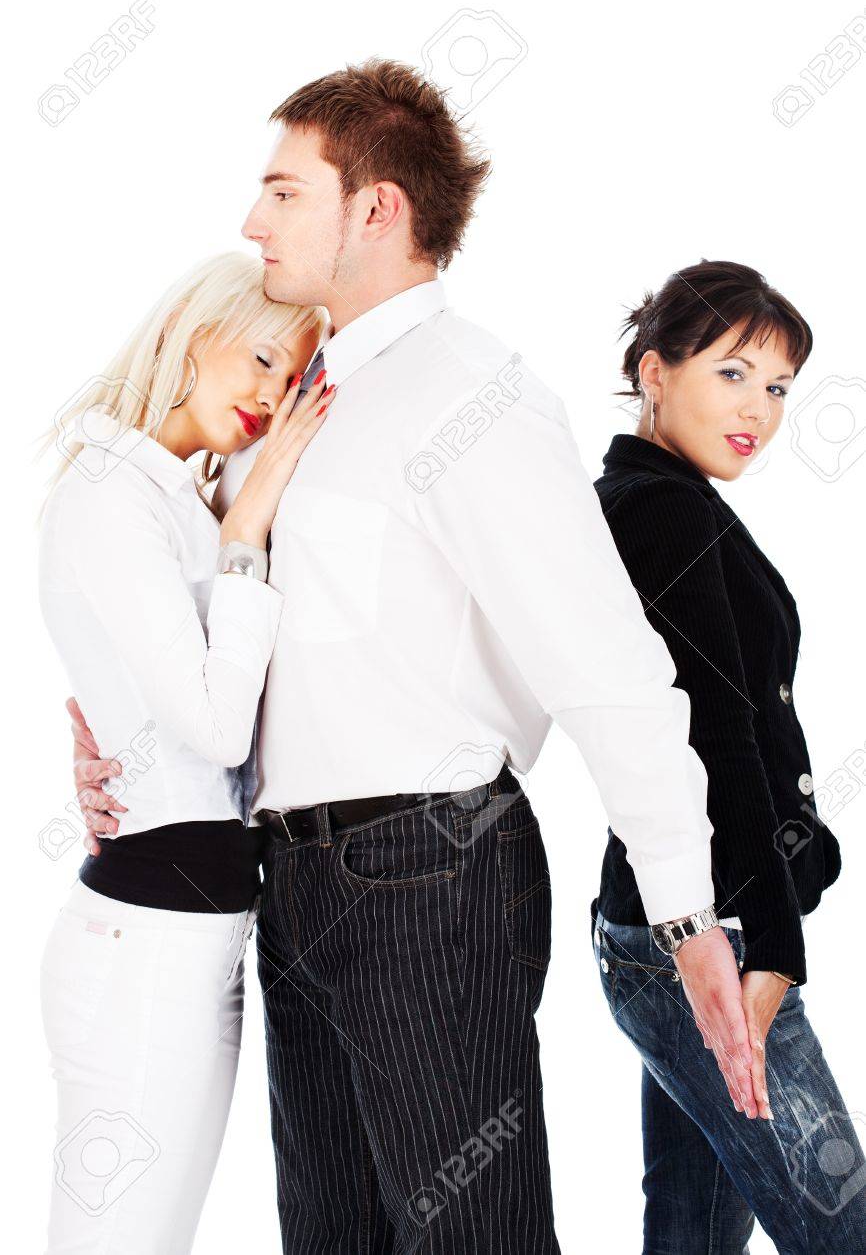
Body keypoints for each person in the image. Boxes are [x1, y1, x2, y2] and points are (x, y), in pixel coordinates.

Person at [71, 61, 756, 1254]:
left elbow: (608, 670)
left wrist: (685, 912)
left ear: (376, 209)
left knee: (471, 1237)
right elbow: (207, 629)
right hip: (285, 879)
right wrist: (121, 746)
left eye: (285, 192)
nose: (251, 221)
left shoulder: (474, 397)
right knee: (329, 1235)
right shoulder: (285, 399)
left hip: (430, 874)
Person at [37, 251, 328, 1252]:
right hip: (146, 948)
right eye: (261, 358)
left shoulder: (169, 498)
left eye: (291, 377)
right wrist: (246, 534)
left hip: (194, 935)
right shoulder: (111, 493)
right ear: (187, 333)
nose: (270, 397)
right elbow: (213, 727)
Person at [589, 259, 865, 1253]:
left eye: (779, 386)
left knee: (691, 1235)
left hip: (671, 924)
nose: (759, 409)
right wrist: (776, 946)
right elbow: (718, 731)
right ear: (654, 371)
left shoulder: (663, 497)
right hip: (710, 936)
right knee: (840, 1228)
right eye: (733, 373)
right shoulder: (658, 510)